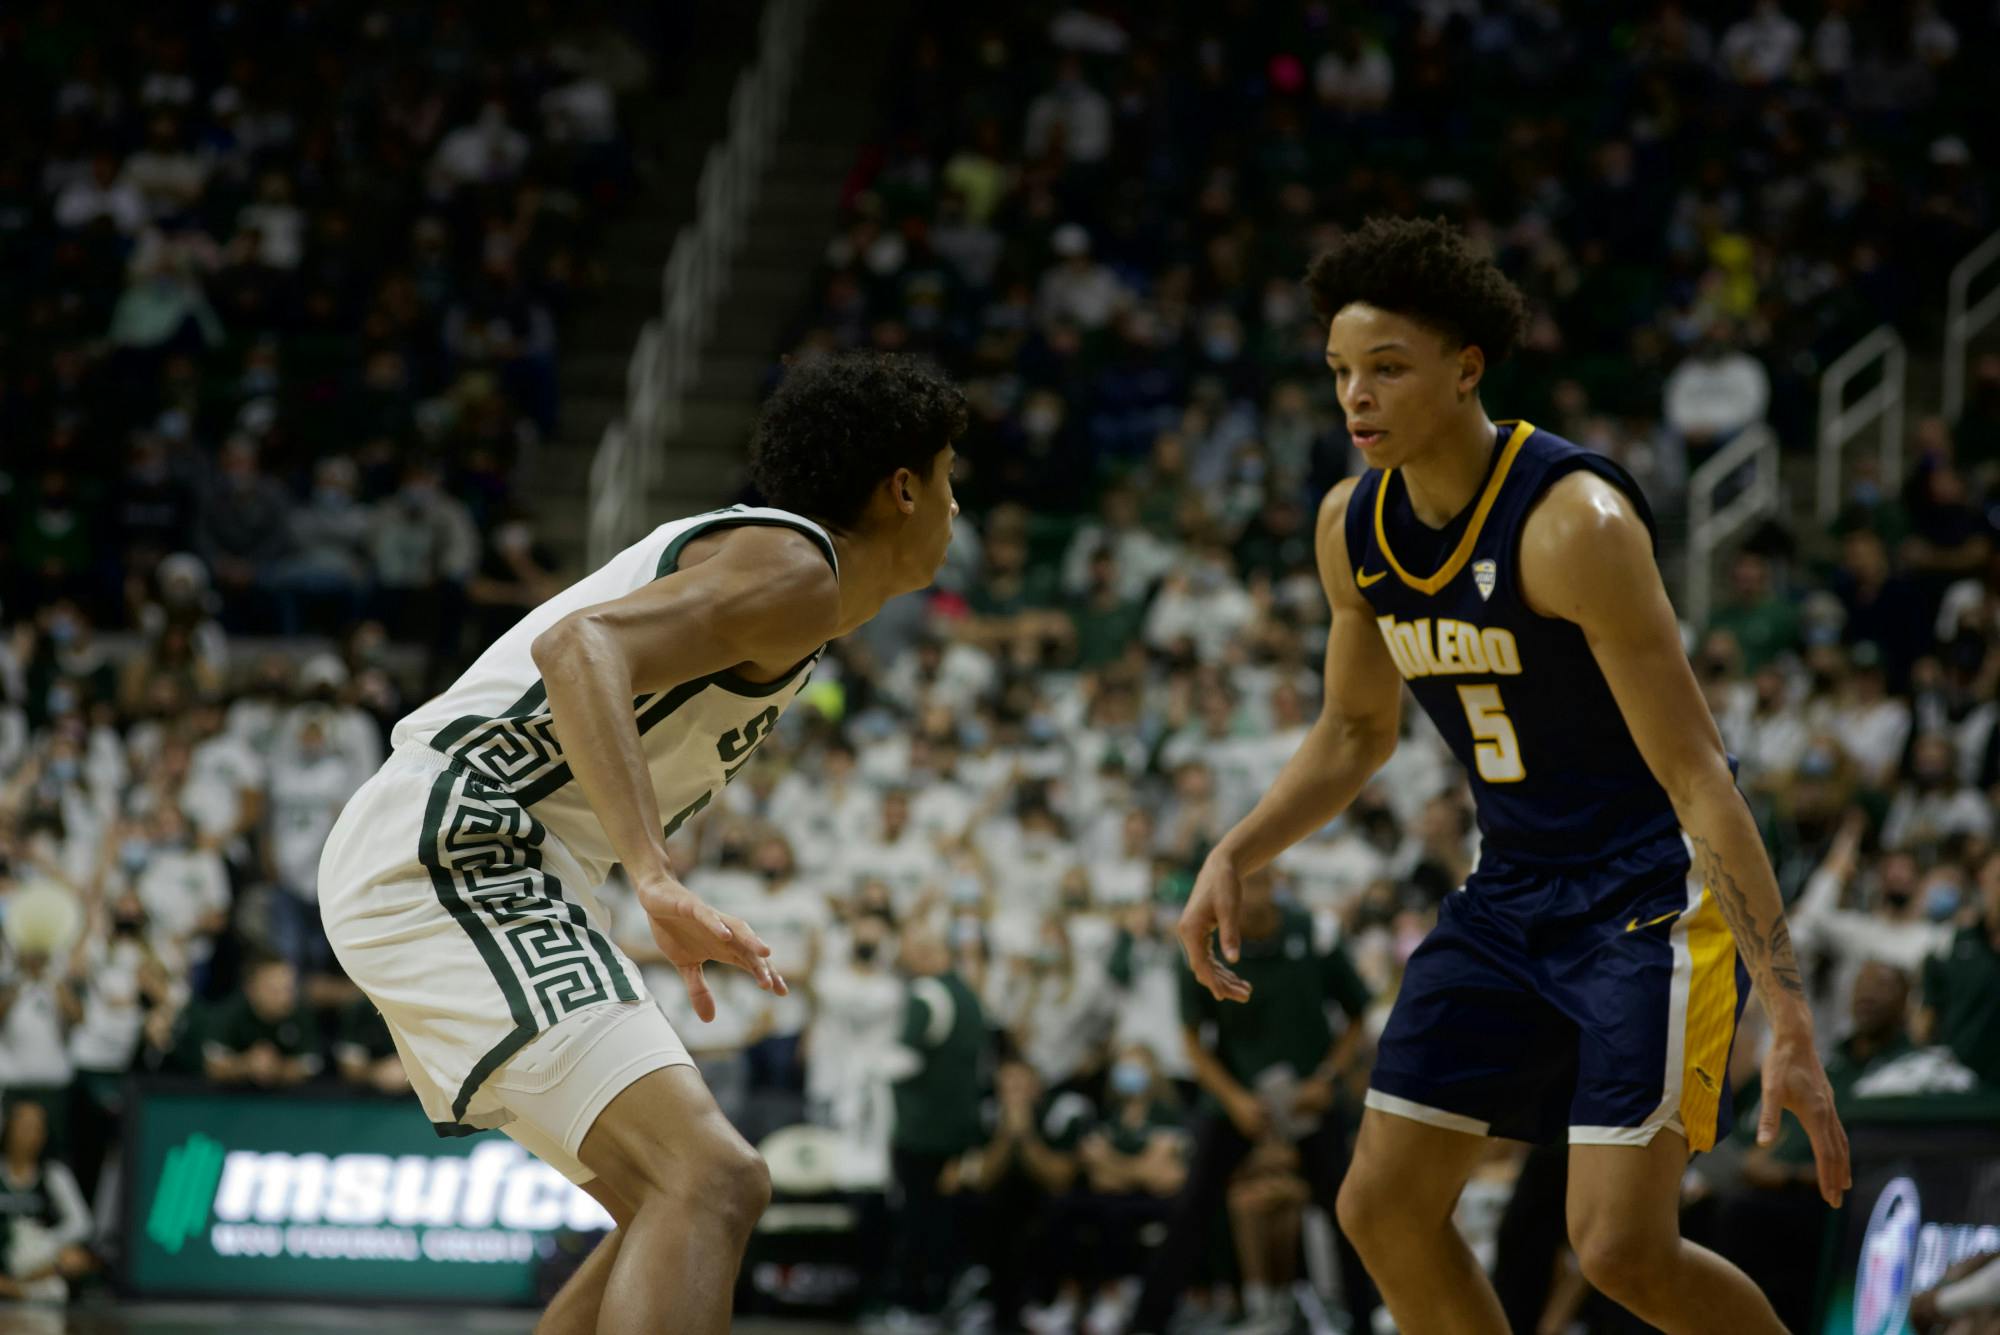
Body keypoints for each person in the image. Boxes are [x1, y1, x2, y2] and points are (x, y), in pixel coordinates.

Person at [1177, 218, 1849, 1335]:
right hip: (1513, 890)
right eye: (1339, 371)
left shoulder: (1574, 521)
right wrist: (1234, 850)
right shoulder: (1351, 526)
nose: (1356, 397)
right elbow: (1354, 732)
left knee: (1620, 1249)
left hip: (1649, 893)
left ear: (1466, 368)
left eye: (1387, 368)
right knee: (1381, 1207)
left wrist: (1788, 1018)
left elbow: (1697, 776)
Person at [317, 350, 966, 1335]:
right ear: (904, 488)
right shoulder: (794, 569)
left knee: (667, 1204)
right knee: (712, 1178)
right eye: (952, 478)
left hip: (487, 851)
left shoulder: (784, 579)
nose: (958, 506)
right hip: (461, 841)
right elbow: (578, 647)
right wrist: (655, 876)